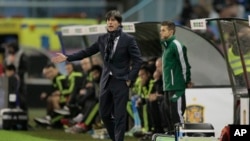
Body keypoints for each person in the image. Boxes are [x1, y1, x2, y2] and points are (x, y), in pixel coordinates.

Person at [51, 10, 143, 141]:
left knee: (120, 115)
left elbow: (138, 60)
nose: (110, 22)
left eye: (113, 20)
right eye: (108, 20)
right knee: (104, 115)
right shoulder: (102, 39)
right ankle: (114, 138)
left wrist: (130, 78)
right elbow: (87, 52)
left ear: (119, 23)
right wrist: (67, 57)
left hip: (121, 81)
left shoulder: (128, 40)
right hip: (106, 82)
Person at [159, 20, 192, 134]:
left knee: (176, 114)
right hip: (168, 86)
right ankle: (172, 135)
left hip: (176, 86)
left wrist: (186, 81)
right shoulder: (166, 47)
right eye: (161, 30)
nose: (161, 32)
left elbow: (184, 65)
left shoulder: (177, 45)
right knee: (168, 113)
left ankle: (181, 136)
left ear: (171, 31)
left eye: (163, 30)